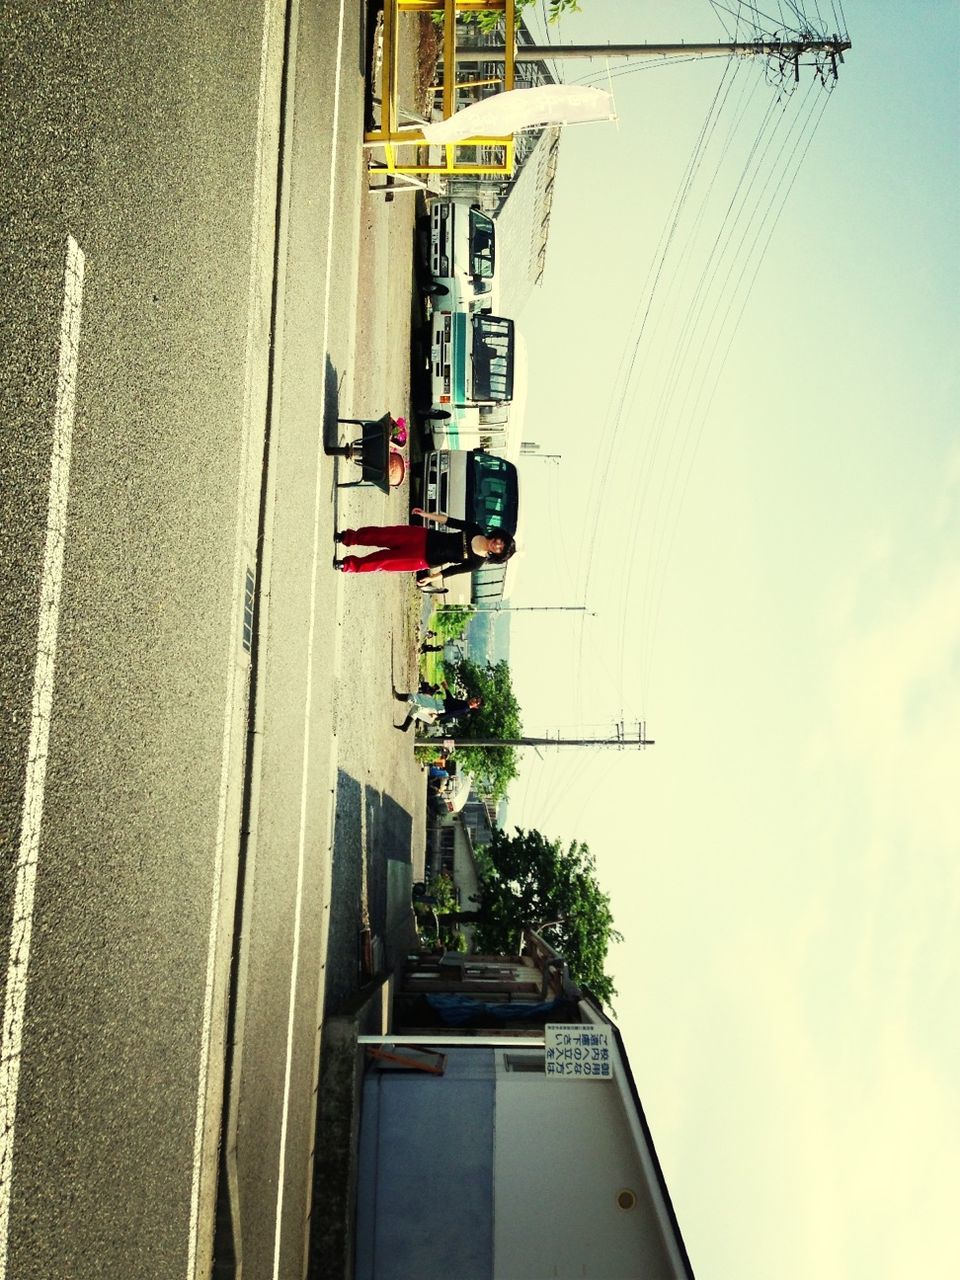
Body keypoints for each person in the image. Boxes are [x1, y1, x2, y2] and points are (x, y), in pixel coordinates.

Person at [333, 508, 515, 578]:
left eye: (501, 549)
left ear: (498, 554)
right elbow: (449, 521)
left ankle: (348, 565)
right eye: (501, 542)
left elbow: (451, 571)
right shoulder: (475, 529)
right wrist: (426, 515)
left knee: (382, 562)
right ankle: (348, 537)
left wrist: (430, 578)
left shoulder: (477, 562)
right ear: (498, 536)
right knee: (382, 535)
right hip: (422, 536)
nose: (497, 545)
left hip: (422, 559)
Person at [394, 687, 482, 733]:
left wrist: (438, 716)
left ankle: (398, 696)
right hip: (438, 704)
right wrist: (446, 688)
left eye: (476, 701)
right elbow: (450, 700)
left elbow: (451, 713)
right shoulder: (464, 703)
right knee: (416, 708)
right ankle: (405, 727)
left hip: (437, 708)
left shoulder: (464, 708)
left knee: (417, 699)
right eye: (476, 698)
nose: (474, 700)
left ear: (476, 707)